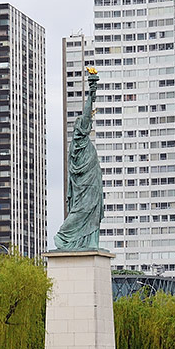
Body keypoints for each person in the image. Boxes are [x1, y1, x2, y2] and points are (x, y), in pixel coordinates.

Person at [54, 68, 103, 250]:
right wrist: (92, 92)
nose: (87, 125)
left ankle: (87, 241)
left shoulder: (83, 144)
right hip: (84, 187)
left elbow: (87, 116)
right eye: (84, 125)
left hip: (92, 183)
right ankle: (64, 236)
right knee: (81, 211)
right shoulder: (77, 144)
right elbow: (86, 113)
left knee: (91, 213)